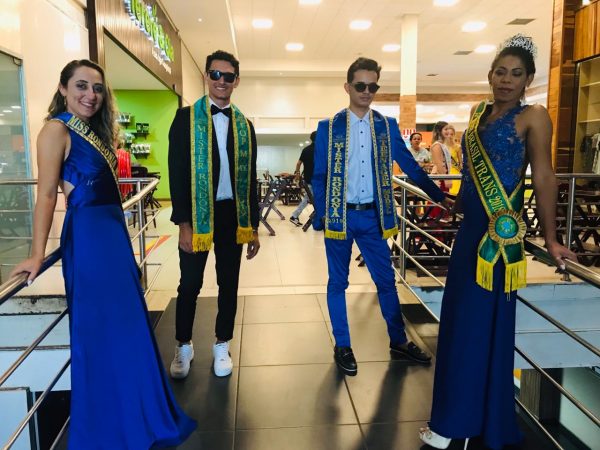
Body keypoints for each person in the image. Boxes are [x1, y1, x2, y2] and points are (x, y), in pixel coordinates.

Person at [10, 59, 196, 449]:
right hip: (91, 240)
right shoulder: (55, 130)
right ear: (63, 88)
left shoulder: (92, 131)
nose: (90, 95)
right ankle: (110, 428)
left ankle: (137, 416)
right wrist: (37, 253)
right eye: (81, 86)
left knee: (127, 329)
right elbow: (46, 195)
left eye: (96, 88)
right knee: (103, 332)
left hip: (112, 235)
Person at [419, 35, 577, 450]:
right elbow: (471, 173)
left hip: (499, 240)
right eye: (501, 72)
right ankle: (463, 417)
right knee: (458, 325)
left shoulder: (534, 116)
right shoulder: (477, 113)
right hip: (469, 233)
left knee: (478, 329)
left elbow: (544, 175)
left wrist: (551, 238)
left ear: (528, 80)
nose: (507, 80)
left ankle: (459, 424)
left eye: (516, 74)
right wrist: (457, 203)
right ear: (490, 75)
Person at [312, 57, 450, 376]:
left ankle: (398, 341)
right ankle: (342, 345)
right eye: (360, 85)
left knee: (386, 280)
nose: (366, 91)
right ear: (347, 87)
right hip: (340, 216)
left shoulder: (386, 126)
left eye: (372, 86)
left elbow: (411, 166)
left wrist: (439, 196)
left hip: (374, 217)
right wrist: (322, 214)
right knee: (338, 282)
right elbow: (318, 176)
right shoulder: (328, 127)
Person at [168, 50, 260, 379]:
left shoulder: (245, 125)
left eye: (228, 76)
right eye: (216, 74)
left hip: (232, 216)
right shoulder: (185, 119)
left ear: (237, 81)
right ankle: (183, 344)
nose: (222, 81)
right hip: (197, 216)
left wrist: (253, 226)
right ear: (207, 76)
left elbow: (250, 179)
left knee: (228, 283)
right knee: (189, 284)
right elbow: (176, 173)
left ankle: (222, 343)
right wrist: (183, 223)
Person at [289, 131, 316, 226]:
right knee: (309, 198)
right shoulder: (320, 150)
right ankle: (294, 216)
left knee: (308, 198)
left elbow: (298, 163)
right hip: (317, 179)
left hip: (308, 178)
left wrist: (297, 174)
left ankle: (295, 216)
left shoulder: (306, 150)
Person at [446, 124, 462, 195]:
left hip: (455, 172)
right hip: (444, 172)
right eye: (447, 134)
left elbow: (460, 162)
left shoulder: (458, 147)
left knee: (455, 193)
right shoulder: (441, 146)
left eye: (451, 134)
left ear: (454, 135)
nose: (449, 136)